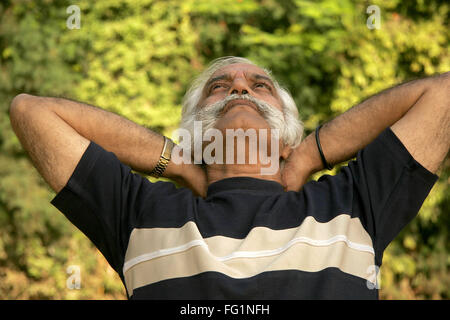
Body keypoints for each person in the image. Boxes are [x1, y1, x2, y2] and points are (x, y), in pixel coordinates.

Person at [8, 56, 449, 299]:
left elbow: (442, 95)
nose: (240, 87)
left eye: (261, 86)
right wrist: (179, 162)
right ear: (196, 132)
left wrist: (308, 157)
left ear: (285, 136)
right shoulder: (140, 213)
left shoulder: (353, 204)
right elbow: (31, 112)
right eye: (218, 87)